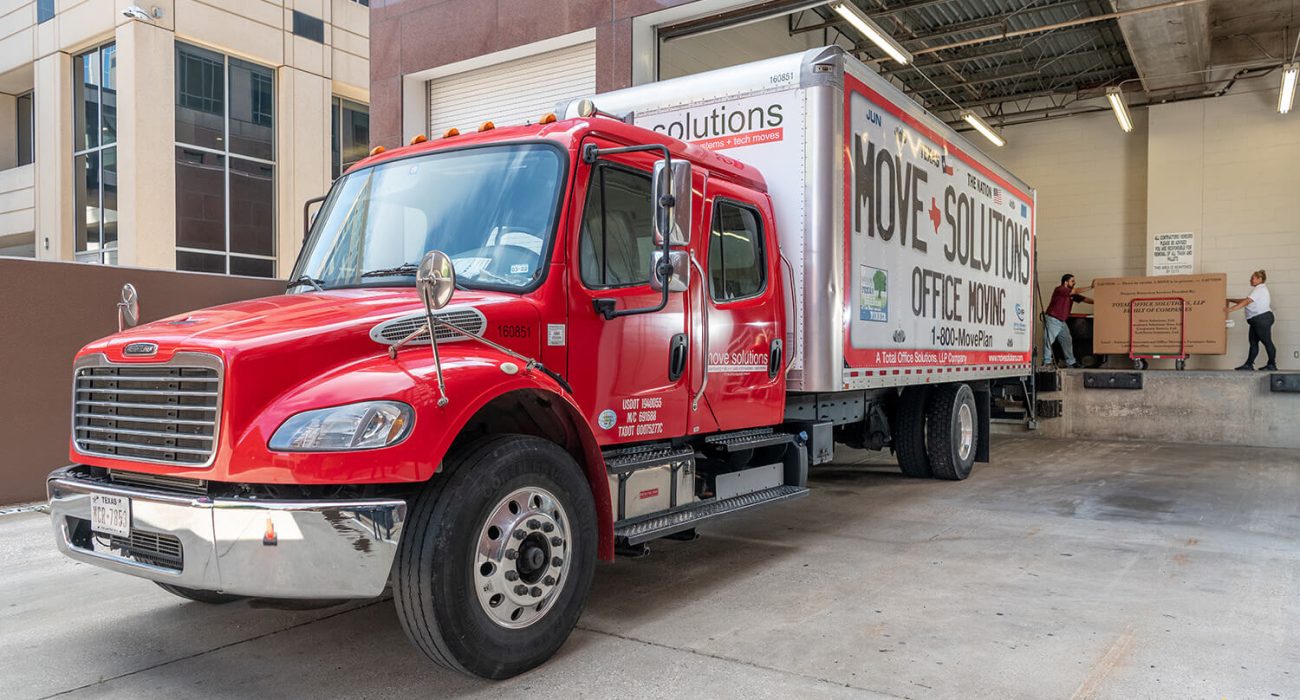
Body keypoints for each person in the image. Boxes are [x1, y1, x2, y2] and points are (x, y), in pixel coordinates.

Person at [1226, 269, 1276, 371]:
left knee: (1267, 342)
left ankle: (1272, 365)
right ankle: (1249, 364)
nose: (1250, 280)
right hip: (1256, 320)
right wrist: (1231, 300)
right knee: (1253, 342)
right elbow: (1246, 300)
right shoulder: (1257, 290)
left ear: (1259, 279)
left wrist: (1230, 309)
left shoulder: (1260, 289)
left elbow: (1247, 301)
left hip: (1262, 319)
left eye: (1252, 278)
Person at [1043, 273, 1093, 367]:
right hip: (1053, 319)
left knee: (1067, 340)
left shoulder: (1071, 294)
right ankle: (1047, 362)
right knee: (1049, 340)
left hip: (1061, 321)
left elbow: (1085, 299)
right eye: (1072, 281)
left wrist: (1099, 301)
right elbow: (1075, 291)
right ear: (1066, 282)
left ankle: (1071, 362)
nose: (1074, 282)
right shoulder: (1060, 289)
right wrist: (1091, 287)